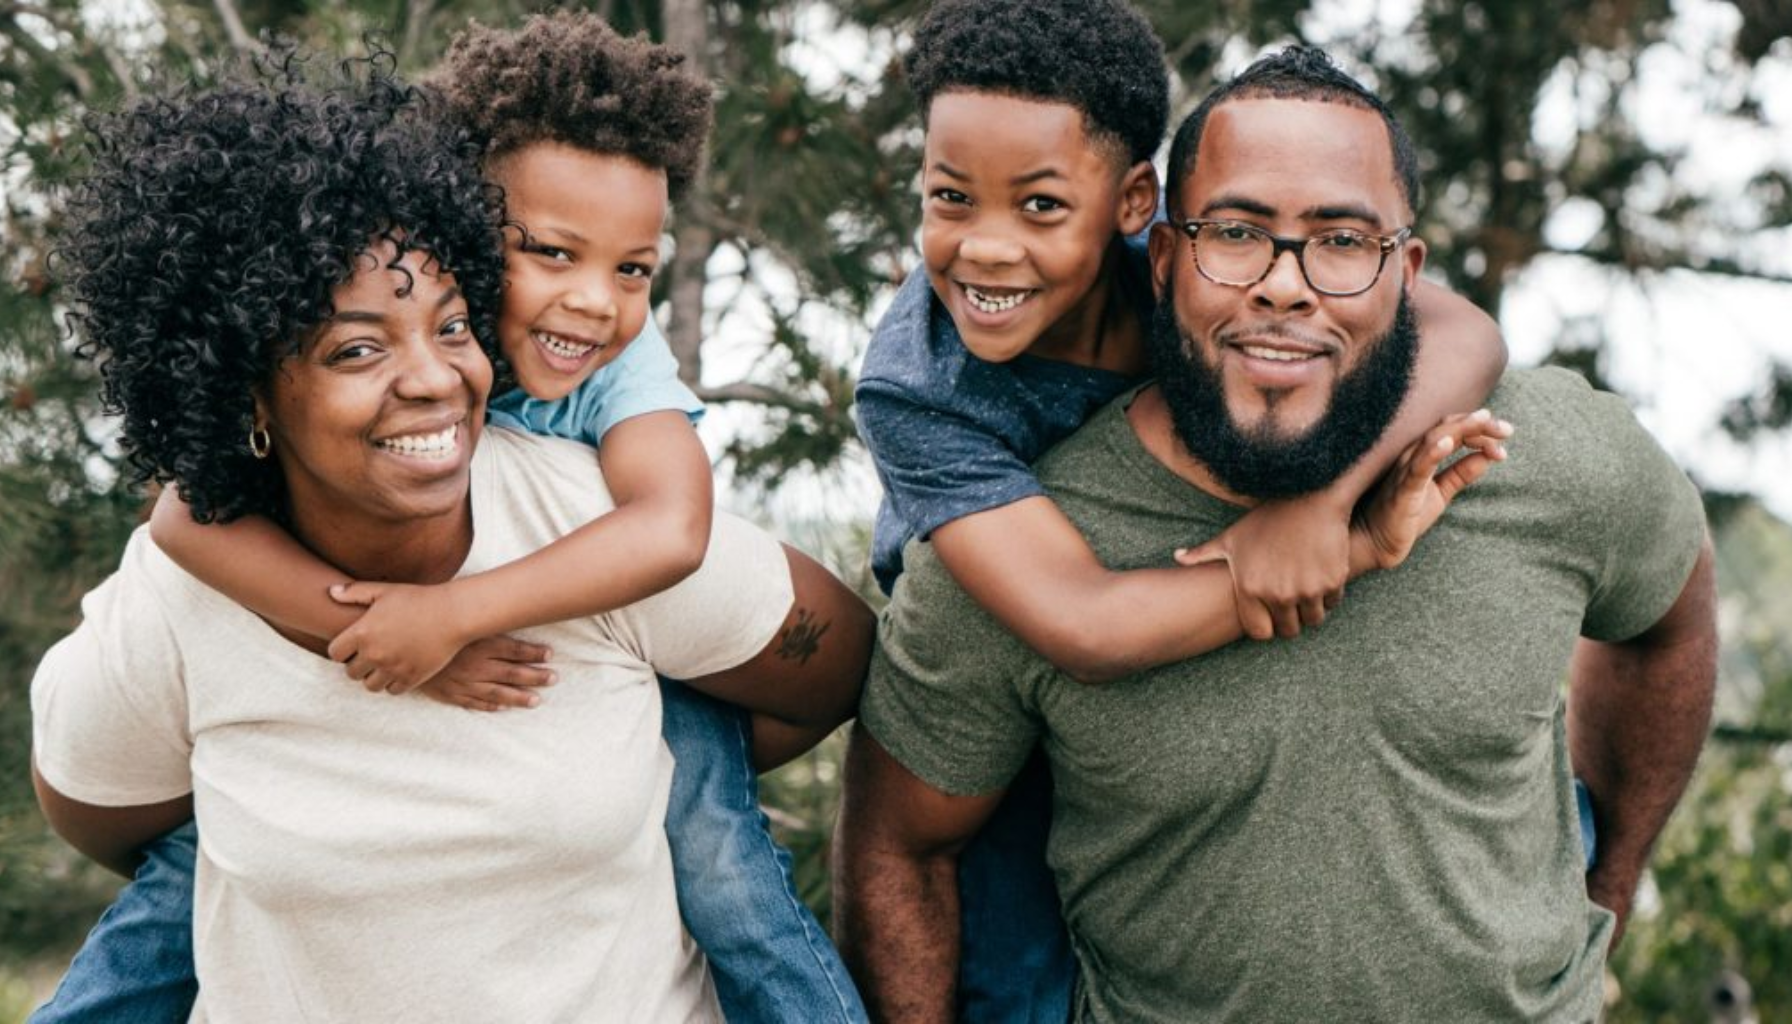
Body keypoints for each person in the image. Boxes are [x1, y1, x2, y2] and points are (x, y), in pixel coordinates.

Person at [836, 46, 1717, 1023]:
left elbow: (1668, 613)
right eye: (1237, 233)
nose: (1285, 285)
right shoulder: (1013, 543)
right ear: (1162, 256)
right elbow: (898, 849)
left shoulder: (1542, 451)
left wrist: (1606, 891)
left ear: (1405, 272)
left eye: (1340, 241)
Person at [33, 15, 868, 1024]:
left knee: (725, 862)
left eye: (451, 328)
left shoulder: (593, 454)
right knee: (183, 880)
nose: (431, 378)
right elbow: (177, 532)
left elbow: (693, 550)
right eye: (355, 351)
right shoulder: (190, 584)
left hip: (629, 636)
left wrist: (460, 620)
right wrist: (367, 639)